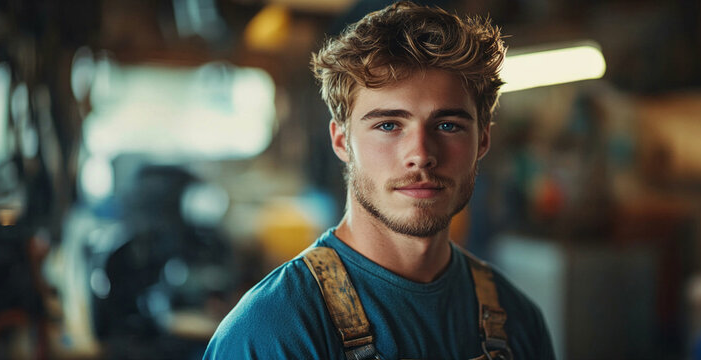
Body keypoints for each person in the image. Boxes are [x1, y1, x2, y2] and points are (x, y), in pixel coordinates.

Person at [204, 2, 556, 359]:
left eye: (448, 125)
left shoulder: (518, 320)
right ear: (341, 141)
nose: (420, 154)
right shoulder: (272, 331)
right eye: (388, 125)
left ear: (482, 140)